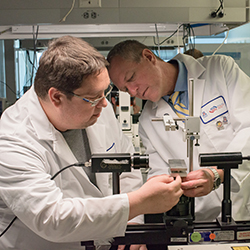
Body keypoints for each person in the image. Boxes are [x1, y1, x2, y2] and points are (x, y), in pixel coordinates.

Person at [0, 36, 183, 250]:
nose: (104, 104)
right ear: (57, 97)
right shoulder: (13, 140)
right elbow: (53, 219)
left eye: (105, 92)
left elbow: (126, 164)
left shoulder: (95, 108)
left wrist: (133, 225)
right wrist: (138, 203)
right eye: (94, 97)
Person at [107, 39, 250, 222]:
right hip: (199, 218)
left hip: (244, 204)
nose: (133, 92)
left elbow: (248, 127)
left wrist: (219, 174)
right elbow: (158, 172)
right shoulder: (147, 120)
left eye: (131, 78)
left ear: (149, 57)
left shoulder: (220, 69)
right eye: (125, 89)